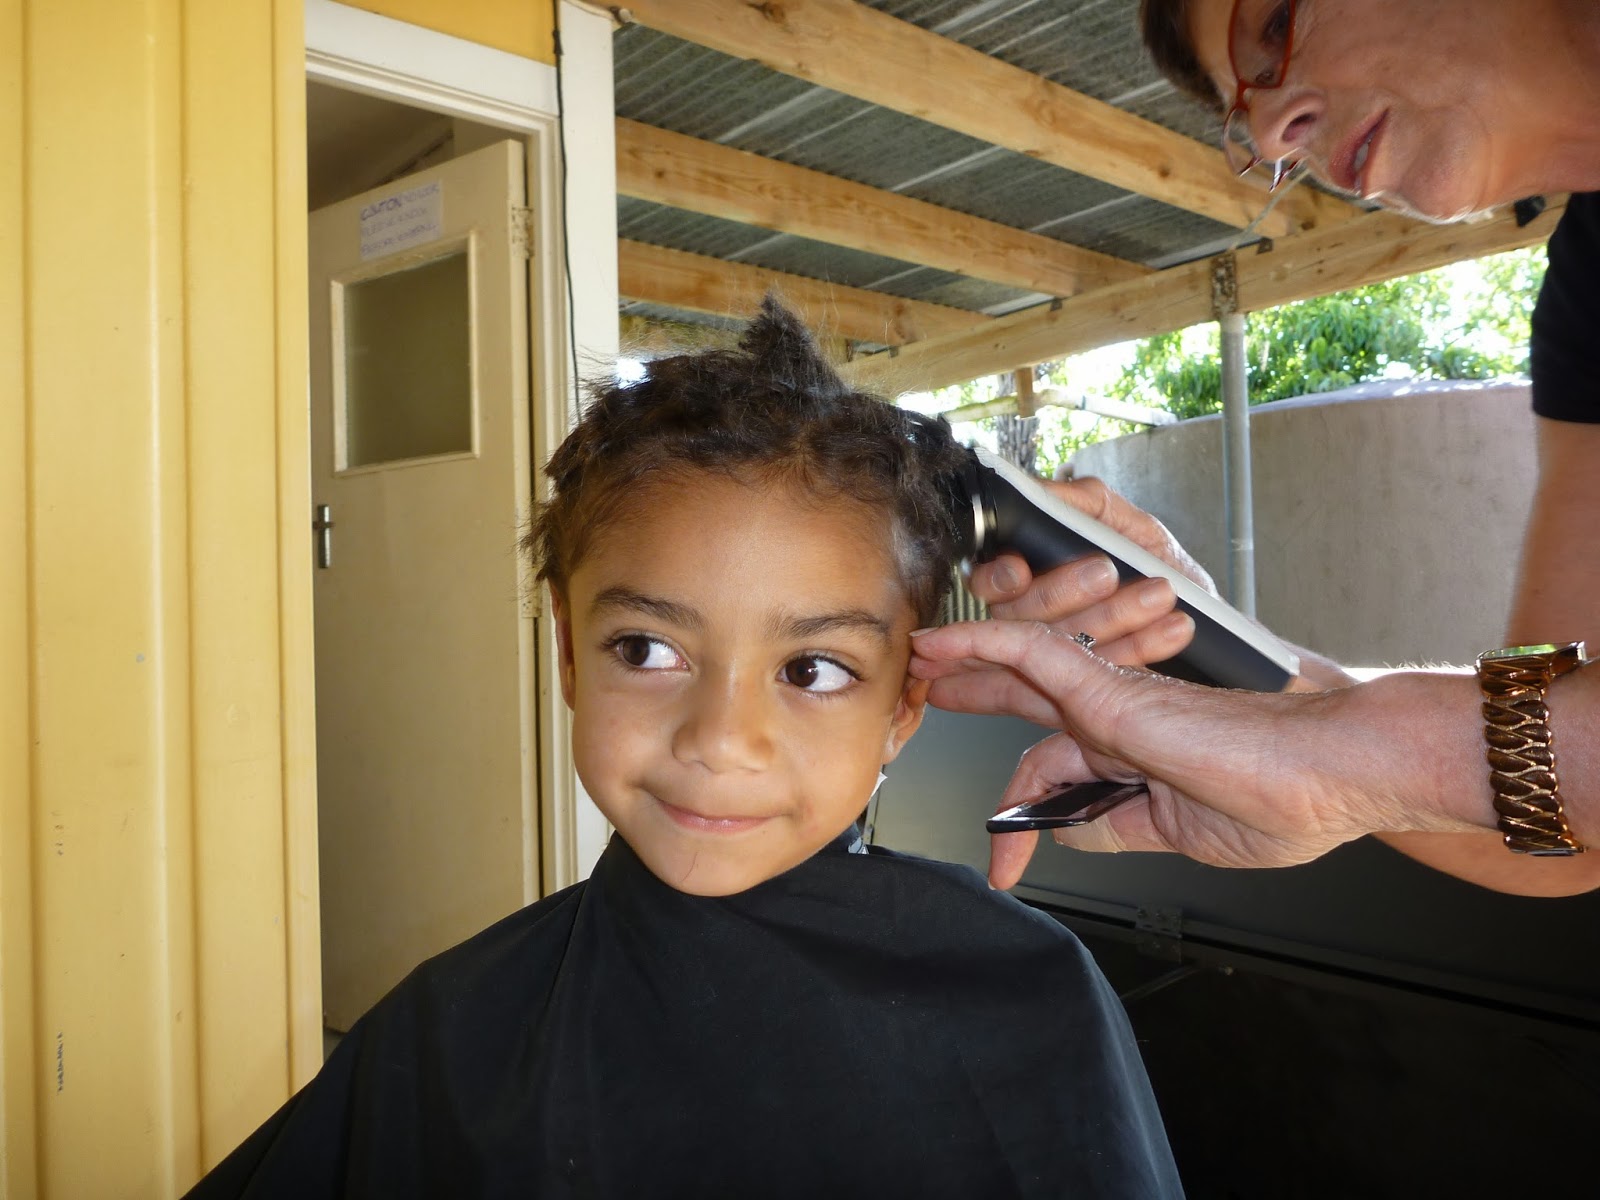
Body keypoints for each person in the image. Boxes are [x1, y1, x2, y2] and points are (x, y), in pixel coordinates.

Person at [183, 300, 1183, 1198]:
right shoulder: (445, 1037)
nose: (718, 741)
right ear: (572, 658)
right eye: (647, 649)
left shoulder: (1022, 999)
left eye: (810, 670)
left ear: (902, 706)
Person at [909, 0, 1600, 899]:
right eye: (1245, 115)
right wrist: (1222, 659)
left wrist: (1355, 748)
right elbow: (1549, 817)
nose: (1276, 133)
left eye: (1275, 21)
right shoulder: (1586, 305)